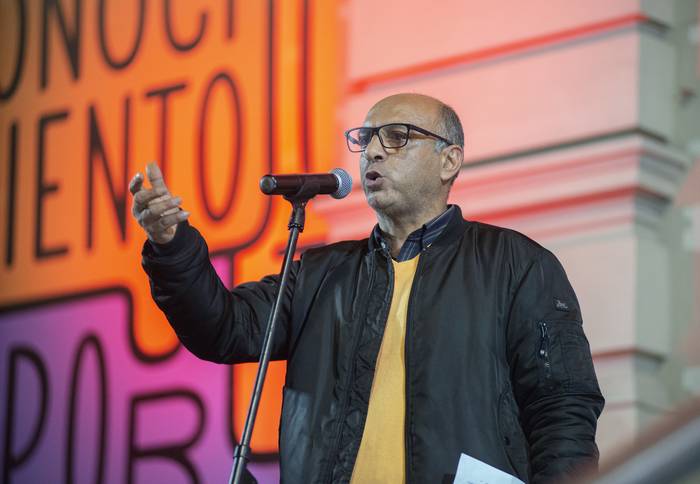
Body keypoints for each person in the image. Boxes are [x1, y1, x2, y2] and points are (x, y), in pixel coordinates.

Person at [131, 93, 604, 483]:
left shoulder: (515, 265)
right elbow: (225, 328)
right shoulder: (323, 273)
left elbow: (562, 410)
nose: (373, 152)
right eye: (366, 139)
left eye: (396, 137)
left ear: (449, 161)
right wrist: (171, 246)